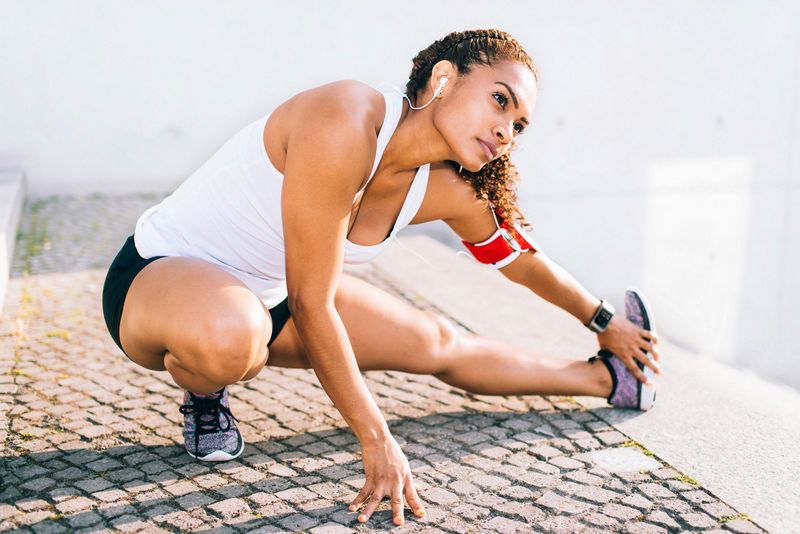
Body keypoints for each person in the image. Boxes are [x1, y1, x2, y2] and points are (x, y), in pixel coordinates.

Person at [102, 28, 661, 526]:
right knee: (231, 336)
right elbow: (312, 301)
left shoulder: (446, 188)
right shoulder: (345, 118)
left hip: (275, 298)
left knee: (437, 342)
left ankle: (609, 381)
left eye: (519, 123)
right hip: (160, 279)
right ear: (443, 79)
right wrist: (377, 438)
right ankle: (205, 396)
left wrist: (603, 321)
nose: (506, 129)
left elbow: (520, 260)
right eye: (499, 100)